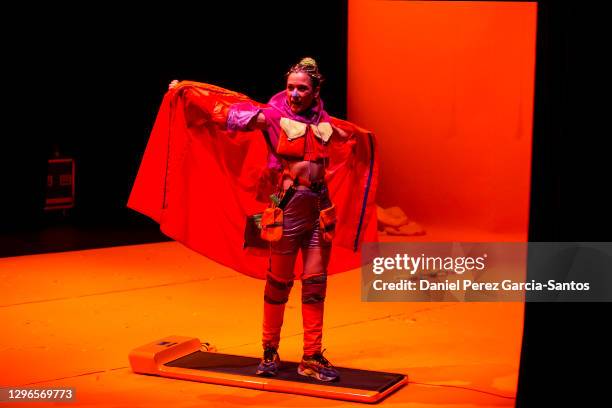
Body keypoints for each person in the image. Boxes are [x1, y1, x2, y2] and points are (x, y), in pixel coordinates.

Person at [130, 57, 378, 384]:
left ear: (316, 90)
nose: (294, 94)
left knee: (316, 285)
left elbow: (350, 139)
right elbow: (228, 115)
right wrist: (187, 93)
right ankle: (269, 350)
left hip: (319, 210)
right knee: (279, 283)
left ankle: (312, 356)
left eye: (302, 88)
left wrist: (365, 140)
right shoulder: (274, 116)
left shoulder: (325, 122)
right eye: (290, 87)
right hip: (287, 210)